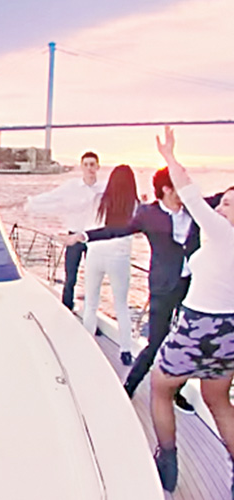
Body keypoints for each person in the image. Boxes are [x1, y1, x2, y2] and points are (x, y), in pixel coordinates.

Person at [65, 168, 223, 413]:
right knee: (156, 341)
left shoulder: (194, 206)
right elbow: (117, 229)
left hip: (193, 286)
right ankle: (129, 386)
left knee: (191, 340)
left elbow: (223, 197)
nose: (187, 189)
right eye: (180, 185)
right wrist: (83, 236)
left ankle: (177, 391)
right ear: (167, 189)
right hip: (163, 286)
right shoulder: (148, 214)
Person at [147, 126, 234, 493]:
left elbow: (189, 193)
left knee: (160, 386)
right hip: (230, 332)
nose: (220, 207)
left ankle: (167, 460)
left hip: (198, 325)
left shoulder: (223, 232)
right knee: (218, 399)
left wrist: (169, 157)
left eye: (227, 203)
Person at [26, 151, 106, 311]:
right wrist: (32, 202)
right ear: (81, 167)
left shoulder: (104, 188)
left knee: (93, 278)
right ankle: (67, 307)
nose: (89, 168)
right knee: (70, 276)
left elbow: (120, 202)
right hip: (74, 236)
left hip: (94, 238)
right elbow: (53, 196)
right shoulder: (72, 186)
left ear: (98, 167)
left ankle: (90, 311)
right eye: (86, 165)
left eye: (92, 164)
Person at [81, 165, 139, 366]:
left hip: (95, 253)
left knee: (91, 302)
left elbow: (89, 225)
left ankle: (87, 345)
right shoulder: (135, 205)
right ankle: (126, 351)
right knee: (121, 305)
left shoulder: (99, 200)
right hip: (119, 257)